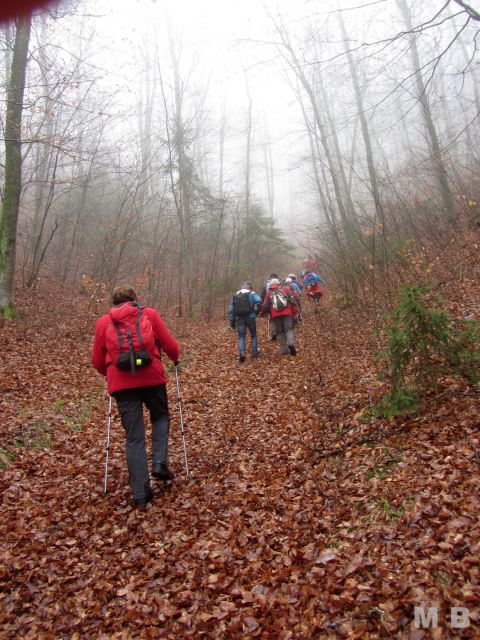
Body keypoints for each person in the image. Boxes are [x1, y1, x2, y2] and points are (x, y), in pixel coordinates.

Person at [92, 285, 180, 510]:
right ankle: (160, 462)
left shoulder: (104, 322)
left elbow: (97, 361)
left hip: (122, 384)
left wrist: (111, 374)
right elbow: (170, 345)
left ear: (114, 302)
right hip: (152, 377)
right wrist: (175, 357)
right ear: (134, 299)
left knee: (134, 437)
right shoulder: (148, 314)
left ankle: (140, 494)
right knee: (160, 418)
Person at [260, 278, 298, 356]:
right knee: (289, 329)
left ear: (271, 284)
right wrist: (295, 312)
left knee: (281, 332)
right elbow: (292, 301)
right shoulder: (286, 289)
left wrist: (262, 314)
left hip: (276, 315)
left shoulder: (269, 293)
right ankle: (291, 344)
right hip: (287, 313)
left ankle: (284, 351)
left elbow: (265, 306)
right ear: (279, 283)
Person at [229, 281, 262, 362]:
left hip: (239, 318)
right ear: (249, 287)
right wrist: (257, 311)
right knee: (253, 335)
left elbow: (231, 308)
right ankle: (254, 352)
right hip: (250, 317)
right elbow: (259, 301)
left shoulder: (236, 294)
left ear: (242, 287)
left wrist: (232, 320)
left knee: (241, 336)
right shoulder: (252, 294)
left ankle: (242, 353)